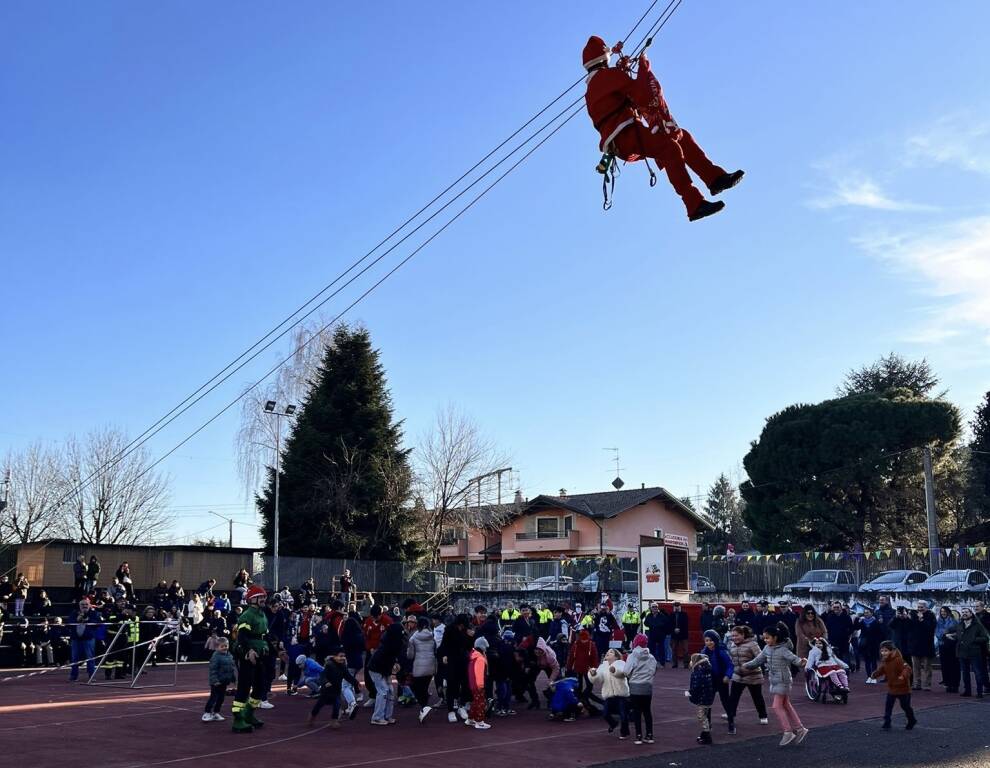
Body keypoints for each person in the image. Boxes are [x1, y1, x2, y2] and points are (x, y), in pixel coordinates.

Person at [581, 36, 743, 221]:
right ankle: (694, 203)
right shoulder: (608, 76)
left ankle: (715, 178)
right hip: (627, 135)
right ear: (604, 58)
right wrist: (644, 68)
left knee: (681, 137)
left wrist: (624, 72)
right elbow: (641, 93)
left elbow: (619, 95)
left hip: (622, 141)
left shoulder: (594, 87)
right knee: (670, 148)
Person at [743, 624, 808, 746]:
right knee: (786, 705)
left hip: (783, 680)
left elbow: (794, 659)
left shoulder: (783, 650)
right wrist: (747, 665)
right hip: (776, 680)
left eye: (768, 638)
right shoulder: (767, 649)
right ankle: (799, 728)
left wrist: (802, 662)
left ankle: (788, 731)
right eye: (765, 638)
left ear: (775, 638)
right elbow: (758, 660)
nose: (765, 640)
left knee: (776, 706)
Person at [230, 585, 270, 733]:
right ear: (252, 599)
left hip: (261, 652)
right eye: (261, 597)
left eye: (265, 597)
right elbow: (242, 636)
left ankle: (249, 713)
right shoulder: (247, 615)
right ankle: (238, 719)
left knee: (260, 686)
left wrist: (279, 649)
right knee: (244, 687)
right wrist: (249, 651)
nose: (264, 599)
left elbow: (265, 635)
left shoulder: (262, 614)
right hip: (248, 654)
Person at [725, 625, 768, 732]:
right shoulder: (732, 645)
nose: (734, 638)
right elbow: (730, 660)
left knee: (757, 697)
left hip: (753, 676)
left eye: (737, 635)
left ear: (743, 635)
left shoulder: (752, 644)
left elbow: (761, 658)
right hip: (738, 676)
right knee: (733, 697)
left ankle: (763, 716)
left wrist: (749, 665)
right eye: (733, 636)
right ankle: (731, 714)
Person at [869, 640, 916, 730]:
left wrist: (903, 676)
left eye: (886, 651)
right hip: (892, 688)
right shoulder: (886, 661)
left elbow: (907, 668)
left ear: (892, 651)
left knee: (905, 706)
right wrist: (875, 674)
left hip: (903, 688)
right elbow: (882, 670)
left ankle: (911, 719)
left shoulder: (898, 660)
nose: (883, 653)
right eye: (882, 651)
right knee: (888, 706)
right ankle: (887, 722)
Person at [307, 650, 360, 728]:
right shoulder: (329, 665)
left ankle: (334, 721)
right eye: (340, 656)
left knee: (337, 705)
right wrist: (326, 682)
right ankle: (312, 716)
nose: (343, 658)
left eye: (344, 656)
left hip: (336, 690)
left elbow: (347, 676)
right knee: (319, 705)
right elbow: (323, 676)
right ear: (335, 657)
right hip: (327, 691)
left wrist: (356, 682)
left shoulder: (343, 667)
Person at [588, 648, 630, 739]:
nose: (608, 653)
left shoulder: (621, 663)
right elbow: (599, 680)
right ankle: (613, 723)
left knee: (623, 714)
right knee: (605, 713)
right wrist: (593, 674)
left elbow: (622, 673)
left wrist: (614, 670)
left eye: (611, 652)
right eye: (607, 652)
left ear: (616, 656)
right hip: (609, 694)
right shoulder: (603, 666)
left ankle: (624, 732)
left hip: (621, 694)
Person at [367, 622, 403, 725]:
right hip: (376, 669)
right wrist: (391, 670)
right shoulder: (389, 644)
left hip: (382, 669)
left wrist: (393, 667)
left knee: (390, 690)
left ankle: (387, 716)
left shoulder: (390, 642)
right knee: (383, 690)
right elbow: (384, 661)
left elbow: (390, 660)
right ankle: (377, 717)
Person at [625, 634, 657, 744]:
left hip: (635, 686)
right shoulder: (651, 657)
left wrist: (632, 677)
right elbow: (653, 670)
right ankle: (650, 735)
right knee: (647, 711)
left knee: (637, 712)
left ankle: (638, 735)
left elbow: (626, 671)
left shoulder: (632, 656)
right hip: (647, 686)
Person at [407, 616, 437, 722]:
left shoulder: (413, 637)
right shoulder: (432, 635)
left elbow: (410, 655)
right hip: (431, 665)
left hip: (419, 665)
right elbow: (435, 649)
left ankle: (424, 707)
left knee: (415, 687)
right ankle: (423, 710)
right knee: (424, 688)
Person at [956, 607, 990, 698]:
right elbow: (957, 634)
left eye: (966, 612)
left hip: (974, 652)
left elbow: (985, 637)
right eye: (963, 612)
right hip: (962, 652)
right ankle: (967, 691)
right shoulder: (960, 625)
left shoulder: (977, 625)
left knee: (977, 672)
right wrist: (947, 633)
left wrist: (974, 640)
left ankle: (979, 692)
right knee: (965, 673)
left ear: (971, 613)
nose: (964, 613)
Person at [567, 628, 602, 715]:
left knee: (589, 686)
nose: (584, 641)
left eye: (585, 639)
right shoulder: (576, 645)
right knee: (579, 687)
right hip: (578, 669)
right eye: (583, 639)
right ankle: (582, 700)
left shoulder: (591, 645)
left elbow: (595, 658)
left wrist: (594, 668)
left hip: (588, 670)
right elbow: (571, 657)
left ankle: (582, 698)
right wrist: (569, 668)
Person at [68, 598, 103, 681]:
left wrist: (88, 620)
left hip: (88, 639)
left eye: (86, 604)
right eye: (82, 605)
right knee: (74, 658)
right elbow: (68, 624)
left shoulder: (94, 613)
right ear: (79, 606)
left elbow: (98, 624)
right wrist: (77, 619)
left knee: (90, 657)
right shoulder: (74, 613)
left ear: (89, 605)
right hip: (76, 639)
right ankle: (73, 676)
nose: (84, 606)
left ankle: (92, 676)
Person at [203, 637, 236, 722]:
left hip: (224, 681)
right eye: (222, 646)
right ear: (217, 648)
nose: (225, 647)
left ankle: (216, 712)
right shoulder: (215, 657)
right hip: (216, 682)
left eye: (226, 645)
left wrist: (232, 678)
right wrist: (215, 681)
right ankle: (207, 713)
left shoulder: (229, 655)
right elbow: (213, 670)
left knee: (221, 698)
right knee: (214, 697)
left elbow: (231, 668)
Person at [687, 652, 715, 745]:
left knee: (701, 717)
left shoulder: (698, 672)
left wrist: (690, 693)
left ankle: (707, 735)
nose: (690, 662)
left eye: (691, 660)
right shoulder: (706, 669)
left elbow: (696, 685)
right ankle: (703, 734)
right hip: (708, 696)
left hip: (702, 697)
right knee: (705, 715)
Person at [908, 600, 936, 691]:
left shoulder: (931, 615)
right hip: (915, 644)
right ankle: (917, 684)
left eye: (922, 607)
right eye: (918, 607)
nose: (920, 609)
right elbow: (910, 626)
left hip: (927, 644)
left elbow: (931, 628)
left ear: (926, 608)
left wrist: (922, 620)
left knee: (927, 667)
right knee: (916, 667)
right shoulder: (913, 615)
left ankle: (927, 684)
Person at [467, 636, 492, 729]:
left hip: (473, 684)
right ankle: (479, 721)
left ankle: (471, 719)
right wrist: (481, 685)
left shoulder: (474, 656)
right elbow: (479, 673)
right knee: (480, 702)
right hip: (478, 685)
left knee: (475, 701)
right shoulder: (480, 659)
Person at [855, 607, 885, 678]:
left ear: (871, 613)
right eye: (865, 613)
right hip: (865, 644)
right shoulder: (862, 621)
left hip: (873, 643)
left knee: (873, 660)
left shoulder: (876, 622)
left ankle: (873, 676)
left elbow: (880, 632)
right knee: (867, 661)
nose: (866, 614)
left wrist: (881, 624)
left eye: (867, 612)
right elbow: (856, 627)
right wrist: (857, 619)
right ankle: (869, 676)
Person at [936, 605, 960, 694]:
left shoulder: (954, 621)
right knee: (945, 665)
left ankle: (955, 684)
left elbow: (957, 632)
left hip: (952, 645)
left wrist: (948, 634)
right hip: (942, 645)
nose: (943, 613)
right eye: (941, 611)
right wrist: (945, 635)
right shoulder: (939, 621)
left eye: (944, 611)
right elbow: (938, 632)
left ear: (948, 612)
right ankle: (948, 683)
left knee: (953, 665)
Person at [642, 602, 669, 666]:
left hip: (660, 634)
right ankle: (652, 663)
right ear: (651, 608)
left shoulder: (661, 615)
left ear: (658, 608)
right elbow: (645, 623)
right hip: (652, 634)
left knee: (661, 649)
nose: (655, 608)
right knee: (651, 649)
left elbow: (666, 622)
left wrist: (657, 625)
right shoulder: (649, 615)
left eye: (656, 607)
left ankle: (662, 663)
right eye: (653, 607)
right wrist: (651, 625)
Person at [670, 602, 690, 668]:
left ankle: (686, 664)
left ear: (680, 607)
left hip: (683, 635)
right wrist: (674, 629)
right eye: (675, 606)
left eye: (678, 606)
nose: (677, 607)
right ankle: (675, 664)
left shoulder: (684, 614)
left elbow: (686, 624)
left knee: (685, 650)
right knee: (674, 649)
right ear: (674, 607)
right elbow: (669, 624)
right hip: (674, 635)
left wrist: (679, 629)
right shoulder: (671, 614)